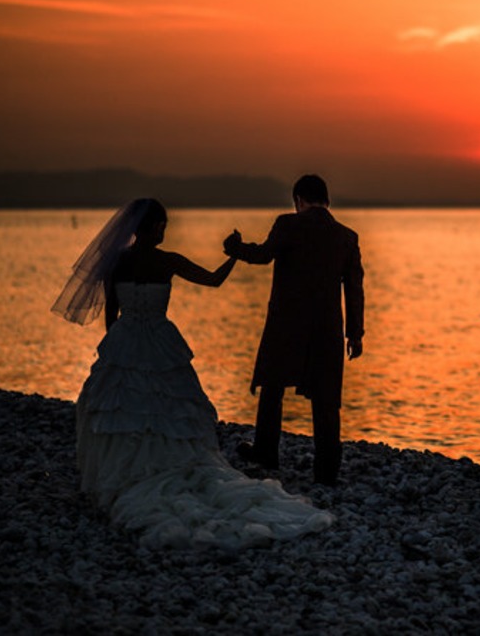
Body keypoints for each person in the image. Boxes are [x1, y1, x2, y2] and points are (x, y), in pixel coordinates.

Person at [52, 198, 332, 550]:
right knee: (169, 408)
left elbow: (112, 315)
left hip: (124, 340)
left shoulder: (118, 263)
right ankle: (166, 467)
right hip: (159, 339)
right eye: (160, 226)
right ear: (147, 228)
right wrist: (233, 254)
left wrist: (116, 350)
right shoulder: (168, 261)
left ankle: (124, 473)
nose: (164, 231)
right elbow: (213, 280)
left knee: (121, 409)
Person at [224, 174, 364, 486]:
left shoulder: (287, 224)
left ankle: (265, 452)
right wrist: (355, 333)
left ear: (298, 200)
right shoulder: (347, 236)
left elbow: (261, 256)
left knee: (272, 386)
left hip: (287, 323)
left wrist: (235, 248)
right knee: (326, 398)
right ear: (327, 201)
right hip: (327, 327)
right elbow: (354, 289)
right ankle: (327, 470)